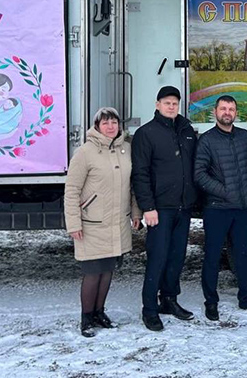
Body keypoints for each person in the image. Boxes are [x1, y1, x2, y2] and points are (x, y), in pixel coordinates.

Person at [64, 107, 141, 337]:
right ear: (97, 126)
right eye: (105, 122)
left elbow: (132, 186)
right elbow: (72, 190)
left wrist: (136, 213)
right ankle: (86, 318)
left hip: (117, 221)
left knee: (107, 270)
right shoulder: (85, 152)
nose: (110, 126)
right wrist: (74, 224)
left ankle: (99, 313)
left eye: (114, 122)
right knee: (92, 272)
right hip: (92, 223)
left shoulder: (126, 149)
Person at [194, 95, 247, 320]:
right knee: (213, 257)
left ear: (236, 114)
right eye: (223, 108)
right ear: (215, 112)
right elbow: (199, 174)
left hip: (242, 208)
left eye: (231, 109)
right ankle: (211, 302)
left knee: (244, 254)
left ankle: (246, 299)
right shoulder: (206, 141)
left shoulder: (244, 137)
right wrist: (226, 192)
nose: (227, 112)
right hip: (217, 209)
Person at [131, 86, 198, 332]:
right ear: (157, 104)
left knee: (177, 257)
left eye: (175, 103)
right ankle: (149, 309)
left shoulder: (186, 131)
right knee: (157, 258)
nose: (171, 107)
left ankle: (169, 300)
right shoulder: (146, 134)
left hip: (183, 206)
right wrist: (148, 207)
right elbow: (140, 174)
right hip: (160, 209)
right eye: (167, 103)